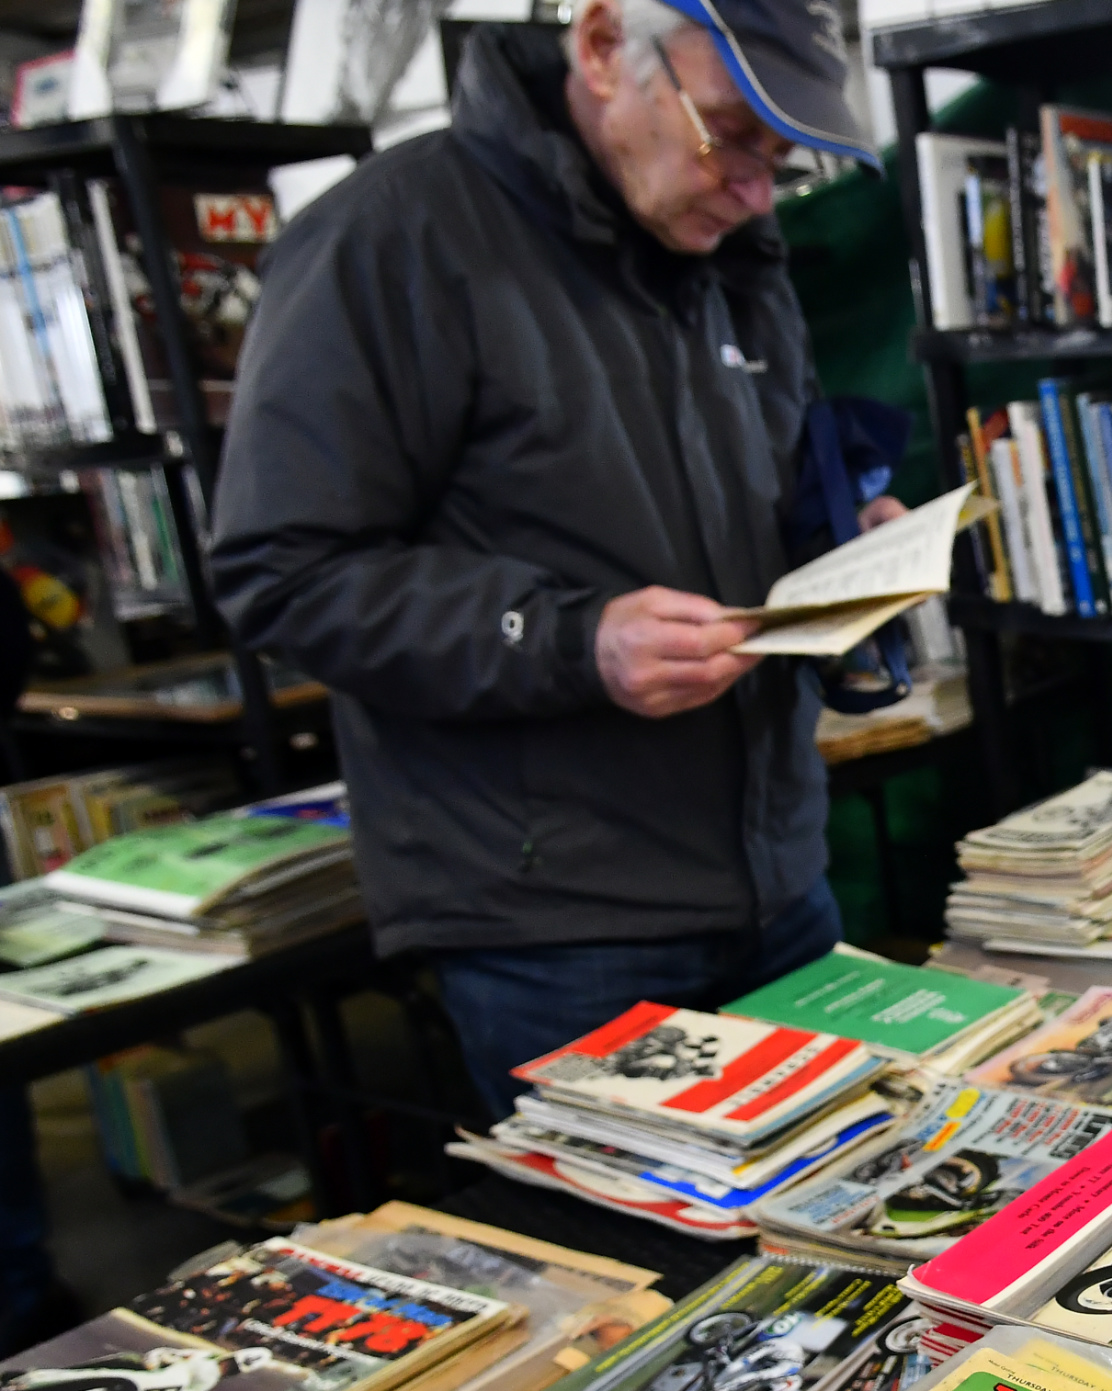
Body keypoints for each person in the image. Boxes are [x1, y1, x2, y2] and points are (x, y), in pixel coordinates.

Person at [209, 0, 901, 1117]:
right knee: (638, 1281)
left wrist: (845, 544)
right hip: (560, 921)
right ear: (598, 48)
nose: (755, 189)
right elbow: (282, 570)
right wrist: (575, 641)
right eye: (730, 133)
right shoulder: (395, 239)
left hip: (778, 875)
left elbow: (755, 495)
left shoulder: (730, 246)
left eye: (784, 159)